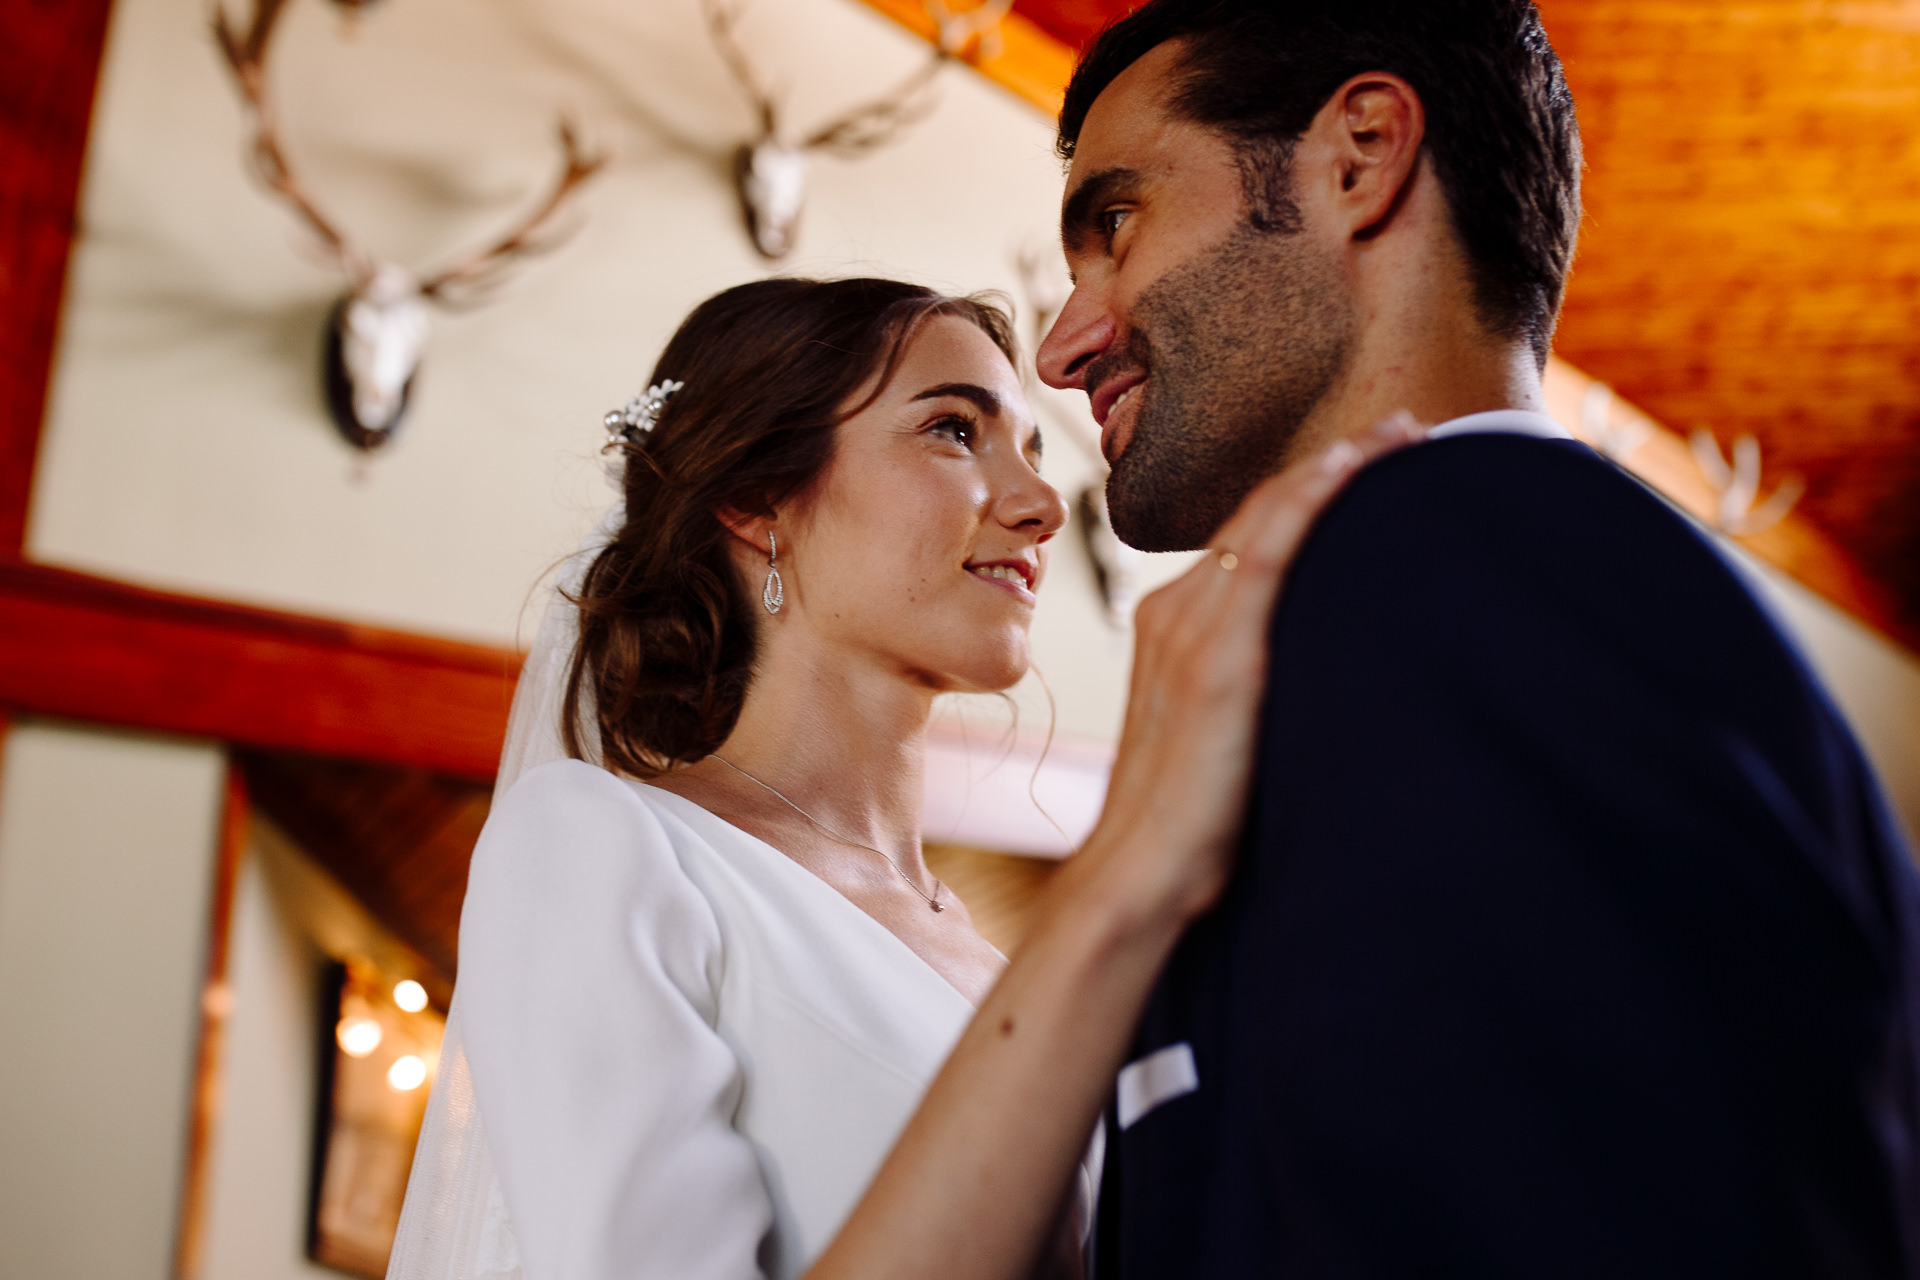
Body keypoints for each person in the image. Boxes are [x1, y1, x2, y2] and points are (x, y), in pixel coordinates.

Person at [1035, 1, 1920, 1276]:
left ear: (1360, 156)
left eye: (1114, 225)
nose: (1066, 344)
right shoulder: (1536, 593)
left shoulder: (1440, 571)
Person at [386, 276, 1416, 1280]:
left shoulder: (988, 953)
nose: (1041, 503)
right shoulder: (599, 844)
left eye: (1026, 446)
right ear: (755, 498)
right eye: (953, 430)